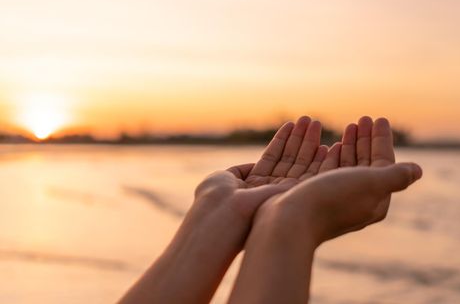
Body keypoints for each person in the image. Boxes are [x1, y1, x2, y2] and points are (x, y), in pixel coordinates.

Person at [118, 116, 423, 304]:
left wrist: (215, 216)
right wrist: (296, 218)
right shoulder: (296, 213)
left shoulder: (216, 208)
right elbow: (295, 215)